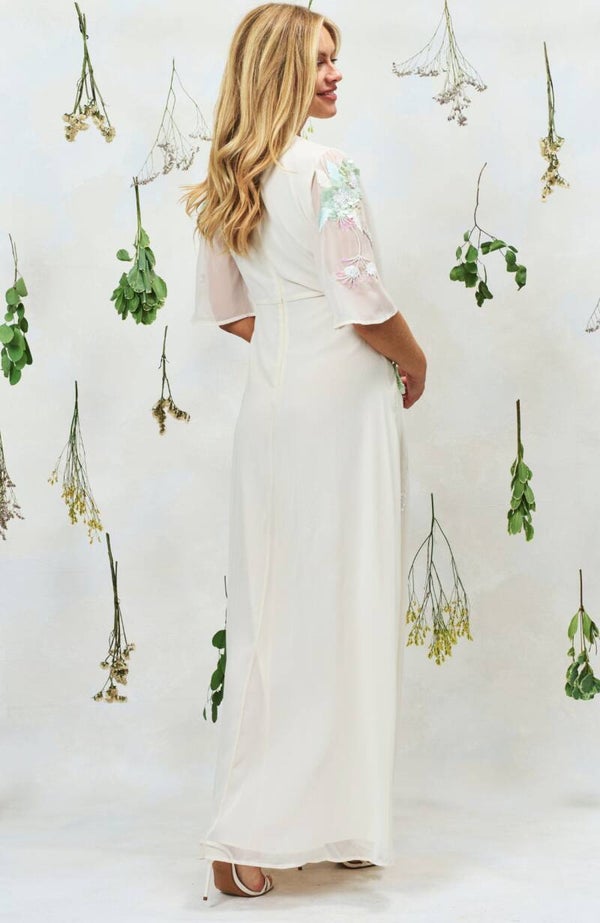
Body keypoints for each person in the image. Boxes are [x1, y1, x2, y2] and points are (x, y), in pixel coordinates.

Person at [183, 1, 427, 903]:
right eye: (321, 60)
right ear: (282, 70)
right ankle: (249, 833)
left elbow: (232, 311)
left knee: (279, 609)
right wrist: (416, 360)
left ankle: (333, 821)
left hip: (276, 407)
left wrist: (298, 341)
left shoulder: (231, 180)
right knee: (344, 603)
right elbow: (363, 301)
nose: (335, 74)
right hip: (346, 410)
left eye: (335, 59)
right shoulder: (328, 170)